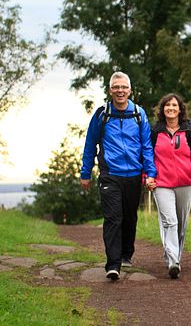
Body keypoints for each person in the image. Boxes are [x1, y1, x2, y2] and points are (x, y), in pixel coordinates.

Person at [80, 71, 157, 280]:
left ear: (130, 90)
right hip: (110, 174)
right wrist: (85, 173)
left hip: (133, 175)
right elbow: (90, 145)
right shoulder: (101, 115)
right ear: (110, 90)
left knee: (129, 217)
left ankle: (125, 254)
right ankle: (113, 264)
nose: (120, 91)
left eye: (123, 87)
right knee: (113, 218)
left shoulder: (139, 115)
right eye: (116, 87)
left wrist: (151, 173)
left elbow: (147, 147)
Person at [146, 93, 191, 279]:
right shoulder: (155, 132)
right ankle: (173, 261)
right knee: (169, 221)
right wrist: (148, 177)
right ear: (162, 109)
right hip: (162, 184)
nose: (171, 108)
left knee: (180, 224)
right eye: (167, 105)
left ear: (180, 109)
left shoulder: (190, 131)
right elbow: (148, 157)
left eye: (174, 105)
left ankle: (174, 257)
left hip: (186, 185)